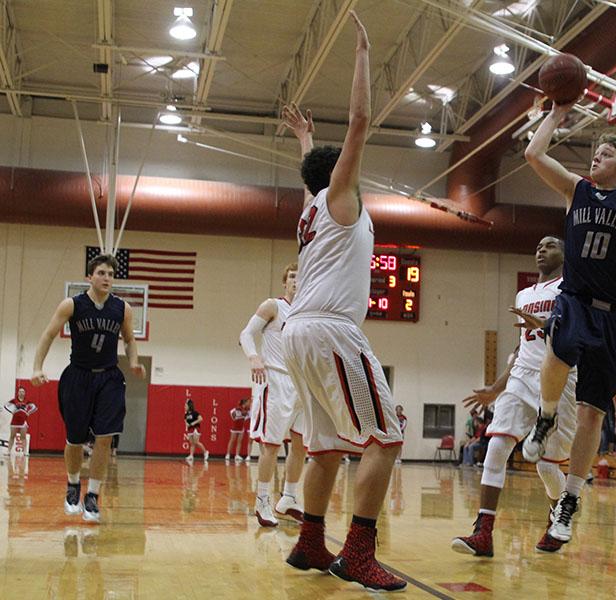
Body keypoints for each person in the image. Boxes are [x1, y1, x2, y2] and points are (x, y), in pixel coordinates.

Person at [279, 13, 406, 592]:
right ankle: (357, 553)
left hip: (299, 332)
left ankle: (309, 542)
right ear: (340, 175)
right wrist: (360, 52)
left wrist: (304, 138)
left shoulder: (311, 208)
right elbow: (359, 121)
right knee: (387, 438)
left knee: (325, 447)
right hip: (330, 330)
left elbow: (313, 171)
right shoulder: (338, 196)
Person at [521, 90, 616, 545]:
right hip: (575, 299)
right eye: (595, 153)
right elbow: (533, 153)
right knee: (557, 351)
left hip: (612, 317)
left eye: (606, 154)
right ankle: (547, 415)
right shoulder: (576, 189)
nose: (596, 159)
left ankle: (569, 500)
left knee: (593, 413)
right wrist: (555, 114)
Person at [453, 237, 578, 556]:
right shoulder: (523, 294)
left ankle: (557, 517)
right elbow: (522, 347)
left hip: (560, 375)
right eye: (537, 246)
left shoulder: (572, 286)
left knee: (547, 466)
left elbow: (577, 332)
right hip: (522, 374)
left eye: (550, 245)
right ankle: (483, 532)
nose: (540, 249)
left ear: (564, 254)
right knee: (497, 445)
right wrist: (496, 388)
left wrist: (548, 325)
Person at [31, 253, 146, 522]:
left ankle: (93, 495)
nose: (106, 278)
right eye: (101, 273)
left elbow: (129, 339)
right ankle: (73, 485)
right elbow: (48, 334)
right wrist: (37, 367)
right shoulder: (72, 305)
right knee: (75, 439)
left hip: (109, 378)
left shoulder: (122, 308)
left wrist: (134, 361)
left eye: (110, 274)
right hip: (78, 377)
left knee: (105, 437)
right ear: (89, 277)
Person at [239, 262, 306, 527]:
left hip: (303, 384)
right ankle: (263, 501)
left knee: (301, 445)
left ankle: (288, 497)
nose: (296, 280)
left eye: (301, 276)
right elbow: (246, 334)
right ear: (285, 282)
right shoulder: (273, 306)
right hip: (276, 380)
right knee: (271, 445)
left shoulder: (309, 313)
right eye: (292, 276)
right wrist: (254, 356)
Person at [5, 387, 37, 455]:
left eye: (23, 391)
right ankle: (8, 451)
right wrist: (11, 411)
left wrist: (28, 412)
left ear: (25, 393)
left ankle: (25, 452)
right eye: (20, 391)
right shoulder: (14, 400)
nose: (21, 393)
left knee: (23, 437)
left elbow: (34, 407)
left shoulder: (27, 401)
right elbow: (6, 405)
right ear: (18, 392)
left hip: (23, 421)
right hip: (14, 421)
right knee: (12, 436)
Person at [183, 399, 209, 463]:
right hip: (190, 429)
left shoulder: (195, 413)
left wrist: (193, 423)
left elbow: (201, 419)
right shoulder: (186, 415)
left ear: (189, 406)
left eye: (185, 406)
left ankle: (205, 452)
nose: (184, 407)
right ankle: (191, 456)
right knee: (192, 443)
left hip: (196, 428)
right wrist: (187, 424)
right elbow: (185, 421)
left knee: (196, 442)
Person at [225, 398, 249, 462]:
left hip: (241, 428)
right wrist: (234, 418)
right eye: (247, 402)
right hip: (235, 428)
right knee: (232, 440)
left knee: (239, 442)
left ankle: (237, 455)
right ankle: (228, 454)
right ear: (244, 403)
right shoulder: (237, 408)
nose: (248, 403)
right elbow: (231, 412)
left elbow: (246, 416)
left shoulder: (247, 410)